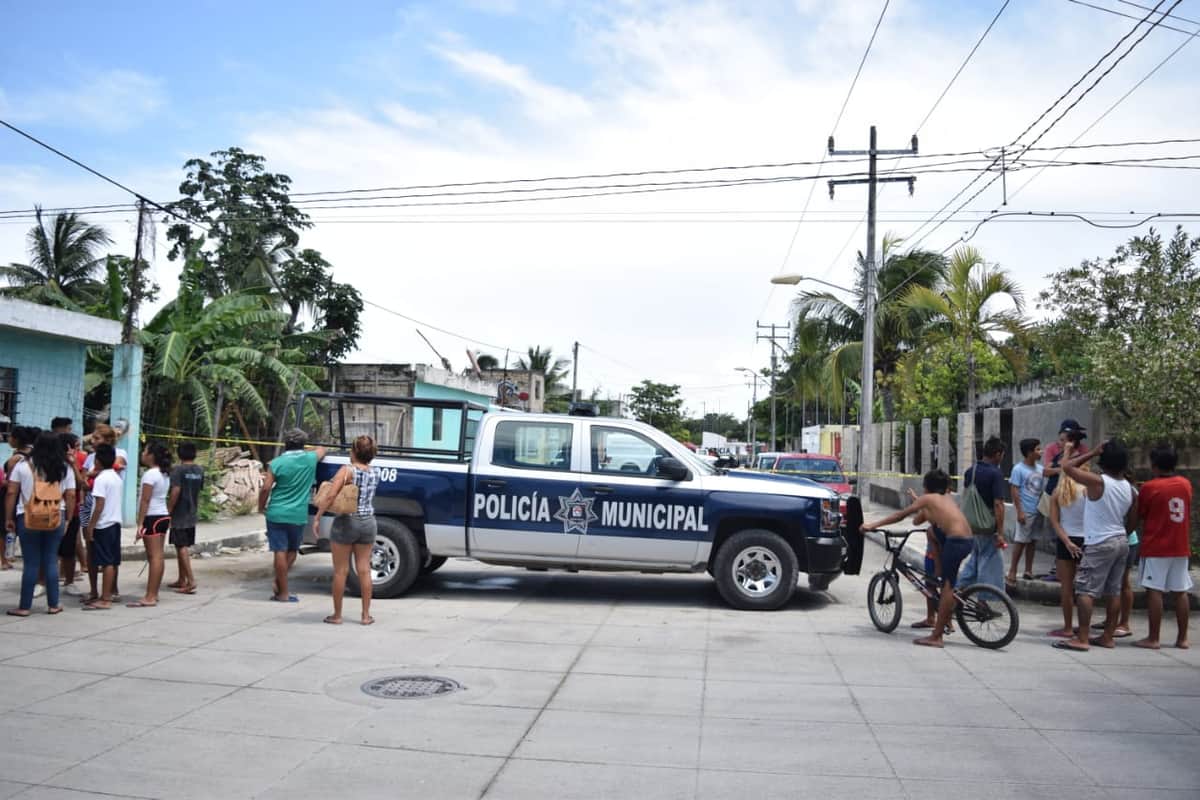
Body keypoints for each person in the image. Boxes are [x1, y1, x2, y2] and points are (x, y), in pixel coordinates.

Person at [864, 469, 974, 648]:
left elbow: (900, 515)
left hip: (955, 542)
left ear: (927, 486)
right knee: (931, 532)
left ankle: (937, 636)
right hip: (966, 540)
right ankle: (938, 572)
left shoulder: (928, 498)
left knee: (948, 586)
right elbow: (919, 521)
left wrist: (872, 525)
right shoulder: (947, 498)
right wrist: (920, 503)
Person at [1054, 440, 1137, 652]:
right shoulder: (1129, 488)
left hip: (1099, 542)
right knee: (1113, 591)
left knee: (1085, 591)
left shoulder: (1098, 482)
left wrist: (1092, 452)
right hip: (1121, 540)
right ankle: (1107, 636)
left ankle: (1082, 637)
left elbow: (1066, 467)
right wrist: (1123, 533)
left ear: (1103, 460)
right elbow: (1134, 520)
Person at [5, 431, 76, 616]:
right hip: (56, 515)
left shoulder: (23, 465)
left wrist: (8, 517)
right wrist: (68, 518)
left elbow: (11, 492)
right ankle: (53, 604)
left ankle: (24, 606)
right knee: (51, 560)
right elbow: (71, 494)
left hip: (27, 516)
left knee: (31, 563)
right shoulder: (64, 467)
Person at [312, 435, 379, 625]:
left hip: (347, 521)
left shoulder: (347, 471)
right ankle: (365, 616)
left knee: (341, 571)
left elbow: (331, 495)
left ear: (355, 451)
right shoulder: (375, 472)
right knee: (364, 570)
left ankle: (337, 615)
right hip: (368, 522)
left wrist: (318, 517)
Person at [1133, 445, 1193, 650]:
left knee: (1154, 590)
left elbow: (1141, 514)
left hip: (1157, 545)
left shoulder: (1150, 487)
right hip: (1180, 545)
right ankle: (1183, 638)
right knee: (1180, 590)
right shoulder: (1185, 484)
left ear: (1155, 465)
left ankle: (1153, 637)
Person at [259, 429, 325, 603]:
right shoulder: (310, 459)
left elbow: (266, 488)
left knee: (279, 551)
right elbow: (322, 449)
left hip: (276, 512)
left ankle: (282, 590)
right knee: (292, 552)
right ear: (302, 444)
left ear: (285, 444)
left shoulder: (276, 463)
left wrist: (261, 507)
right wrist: (307, 450)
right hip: (298, 514)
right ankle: (280, 586)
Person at [956, 436, 1008, 595]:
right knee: (988, 562)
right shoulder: (995, 474)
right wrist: (1000, 533)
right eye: (1002, 455)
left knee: (975, 559)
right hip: (987, 526)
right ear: (998, 454)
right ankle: (982, 600)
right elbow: (998, 504)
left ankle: (957, 590)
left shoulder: (970, 471)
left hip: (971, 524)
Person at [82, 424, 127, 603]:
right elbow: (84, 481)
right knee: (95, 553)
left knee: (108, 559)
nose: (93, 441)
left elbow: (99, 504)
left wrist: (91, 526)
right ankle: (96, 591)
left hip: (102, 517)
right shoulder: (107, 472)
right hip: (98, 511)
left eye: (97, 438)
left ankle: (108, 594)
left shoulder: (116, 456)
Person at [1047, 441, 1087, 638]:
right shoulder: (1089, 490)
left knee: (1066, 587)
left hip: (1066, 540)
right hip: (1087, 540)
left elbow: (1054, 521)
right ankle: (1084, 626)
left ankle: (1068, 627)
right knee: (1085, 588)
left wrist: (1066, 541)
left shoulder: (1059, 492)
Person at [129, 443, 172, 608]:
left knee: (154, 557)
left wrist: (140, 523)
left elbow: (145, 500)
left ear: (152, 455)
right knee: (158, 556)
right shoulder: (164, 473)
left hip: (152, 517)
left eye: (145, 451)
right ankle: (154, 592)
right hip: (162, 516)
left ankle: (150, 596)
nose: (142, 453)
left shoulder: (150, 474)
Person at [167, 442, 204, 595]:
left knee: (181, 546)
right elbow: (199, 490)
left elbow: (175, 490)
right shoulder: (199, 470)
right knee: (180, 546)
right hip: (192, 512)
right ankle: (181, 579)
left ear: (179, 454)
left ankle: (191, 580)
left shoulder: (178, 470)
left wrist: (169, 510)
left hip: (180, 513)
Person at [1007, 438, 1045, 585]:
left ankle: (1028, 570)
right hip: (1026, 510)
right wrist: (1020, 511)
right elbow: (1014, 490)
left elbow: (1051, 472)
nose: (1041, 452)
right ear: (1029, 452)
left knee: (1032, 541)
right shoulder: (1018, 469)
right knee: (1021, 541)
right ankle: (1012, 570)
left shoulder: (1040, 469)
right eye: (1038, 449)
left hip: (1038, 510)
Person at [2, 426, 37, 571]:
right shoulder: (31, 454)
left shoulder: (16, 459)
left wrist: (3, 481)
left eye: (10, 436)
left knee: (6, 526)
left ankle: (4, 559)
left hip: (13, 496)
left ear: (16, 439)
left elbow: (11, 483)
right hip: (25, 496)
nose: (8, 439)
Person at [56, 433, 87, 593]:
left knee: (69, 548)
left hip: (72, 511)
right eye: (75, 447)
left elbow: (81, 484)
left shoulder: (73, 463)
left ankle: (69, 581)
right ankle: (45, 580)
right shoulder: (53, 464)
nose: (77, 450)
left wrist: (73, 464)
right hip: (55, 510)